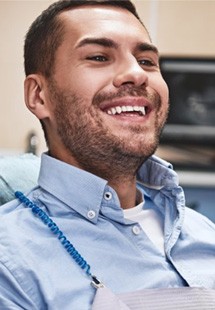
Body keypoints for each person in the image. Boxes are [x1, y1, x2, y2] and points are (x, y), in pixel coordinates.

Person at [0, 0, 214, 309]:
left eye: (147, 61)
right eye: (99, 57)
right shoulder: (10, 262)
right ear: (39, 95)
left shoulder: (203, 232)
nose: (136, 74)